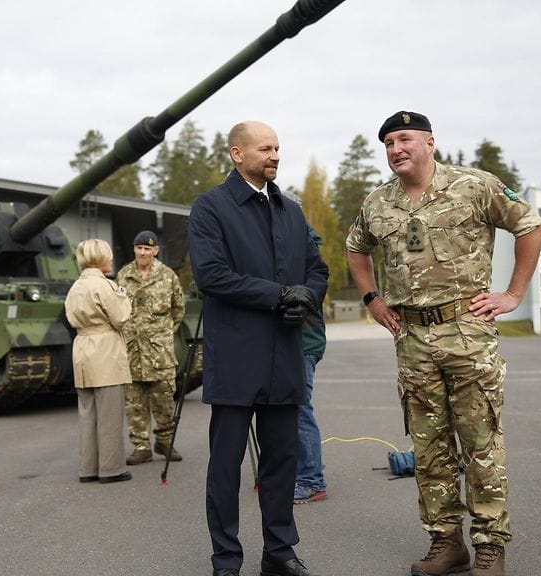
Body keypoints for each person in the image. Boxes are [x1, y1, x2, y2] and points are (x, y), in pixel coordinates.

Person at [346, 111, 541, 576]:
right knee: (429, 445)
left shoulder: (475, 186)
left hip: (467, 332)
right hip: (411, 337)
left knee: (480, 442)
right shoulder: (378, 203)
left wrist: (514, 293)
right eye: (389, 142)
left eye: (405, 139)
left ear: (430, 142)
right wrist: (373, 298)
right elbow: (356, 248)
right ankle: (445, 543)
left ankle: (490, 546)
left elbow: (529, 226)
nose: (396, 149)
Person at [188, 120, 329, 576]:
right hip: (237, 360)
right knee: (225, 467)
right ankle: (226, 559)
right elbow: (211, 275)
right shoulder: (211, 208)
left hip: (284, 358)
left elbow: (316, 269)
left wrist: (306, 297)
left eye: (278, 149)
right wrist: (279, 296)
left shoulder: (290, 211)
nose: (275, 156)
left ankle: (279, 552)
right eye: (265, 149)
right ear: (237, 154)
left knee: (282, 462)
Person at [64, 238, 133, 484]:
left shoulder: (75, 287)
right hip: (104, 349)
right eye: (108, 255)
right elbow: (121, 317)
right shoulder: (104, 286)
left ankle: (88, 468)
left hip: (82, 348)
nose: (111, 259)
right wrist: (124, 296)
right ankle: (111, 468)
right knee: (110, 414)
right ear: (100, 258)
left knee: (88, 413)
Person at [116, 230, 186, 465]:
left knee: (164, 399)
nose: (143, 252)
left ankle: (165, 441)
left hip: (159, 352)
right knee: (134, 402)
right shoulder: (124, 275)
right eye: (139, 248)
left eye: (148, 249)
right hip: (132, 351)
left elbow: (178, 310)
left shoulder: (167, 276)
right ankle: (141, 446)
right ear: (134, 249)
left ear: (156, 251)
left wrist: (163, 334)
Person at [292, 221, 328, 504]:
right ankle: (298, 473)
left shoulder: (302, 246)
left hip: (302, 341)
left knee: (300, 408)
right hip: (296, 341)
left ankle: (310, 480)